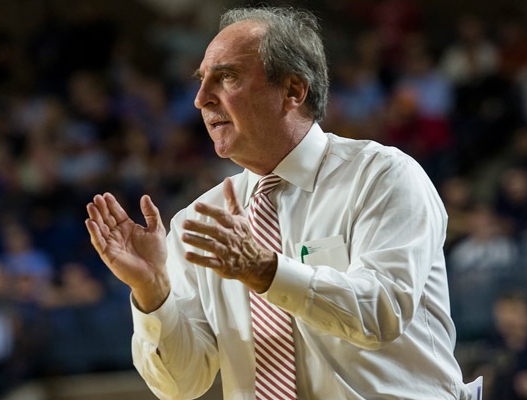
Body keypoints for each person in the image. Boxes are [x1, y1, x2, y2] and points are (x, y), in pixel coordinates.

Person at [86, 6, 470, 399]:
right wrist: (153, 292)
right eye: (202, 81)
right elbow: (181, 385)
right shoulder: (199, 222)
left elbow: (381, 311)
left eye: (226, 77)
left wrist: (266, 271)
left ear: (292, 91)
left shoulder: (382, 176)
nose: (201, 99)